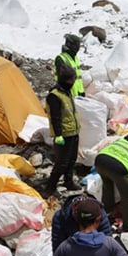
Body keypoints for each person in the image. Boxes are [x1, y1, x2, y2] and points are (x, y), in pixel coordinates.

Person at [46, 62, 81, 193]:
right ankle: (50, 187)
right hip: (64, 134)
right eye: (72, 79)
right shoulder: (54, 95)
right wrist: (58, 134)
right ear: (65, 80)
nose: (73, 81)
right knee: (62, 162)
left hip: (73, 131)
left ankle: (68, 181)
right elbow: (55, 117)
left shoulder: (67, 92)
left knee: (72, 159)